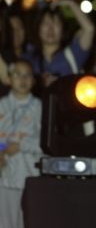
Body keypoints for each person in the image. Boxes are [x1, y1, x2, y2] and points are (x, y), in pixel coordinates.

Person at [0, 59, 41, 228]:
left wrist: (21, 145)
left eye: (27, 75)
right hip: (5, 177)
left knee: (29, 220)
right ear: (8, 78)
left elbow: (46, 143)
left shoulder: (39, 107)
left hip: (30, 175)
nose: (23, 80)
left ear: (33, 80)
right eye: (17, 75)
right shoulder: (2, 105)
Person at [24, 0, 95, 90]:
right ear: (38, 28)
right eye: (45, 23)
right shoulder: (29, 58)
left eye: (56, 23)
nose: (50, 28)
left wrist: (70, 3)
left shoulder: (74, 54)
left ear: (63, 30)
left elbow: (89, 29)